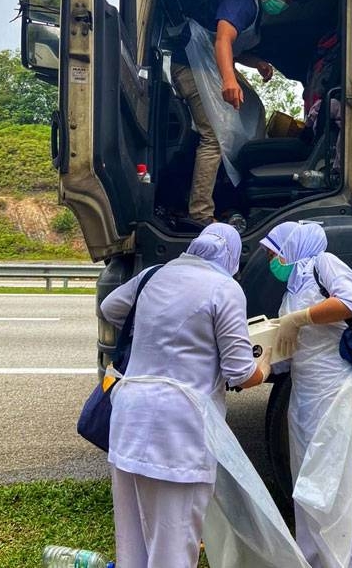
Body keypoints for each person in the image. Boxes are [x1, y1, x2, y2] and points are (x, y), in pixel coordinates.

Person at [100, 223, 270, 568]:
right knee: (173, 546)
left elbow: (111, 308)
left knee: (132, 544)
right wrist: (266, 366)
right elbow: (240, 371)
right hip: (178, 432)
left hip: (128, 418)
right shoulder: (225, 288)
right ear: (231, 256)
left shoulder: (154, 275)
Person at [261, 222, 352, 568]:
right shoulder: (292, 289)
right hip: (305, 399)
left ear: (294, 246)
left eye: (274, 251)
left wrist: (300, 317)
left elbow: (350, 303)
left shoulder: (323, 263)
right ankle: (313, 561)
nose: (272, 259)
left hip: (337, 395)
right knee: (307, 490)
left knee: (342, 493)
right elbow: (294, 346)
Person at [171, 0, 306, 224]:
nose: (281, 2)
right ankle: (200, 213)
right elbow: (222, 40)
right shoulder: (241, 1)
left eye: (287, 0)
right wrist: (229, 80)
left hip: (208, 64)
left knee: (254, 108)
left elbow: (231, 47)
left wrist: (256, 63)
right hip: (189, 66)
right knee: (213, 134)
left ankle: (238, 186)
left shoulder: (257, 9)